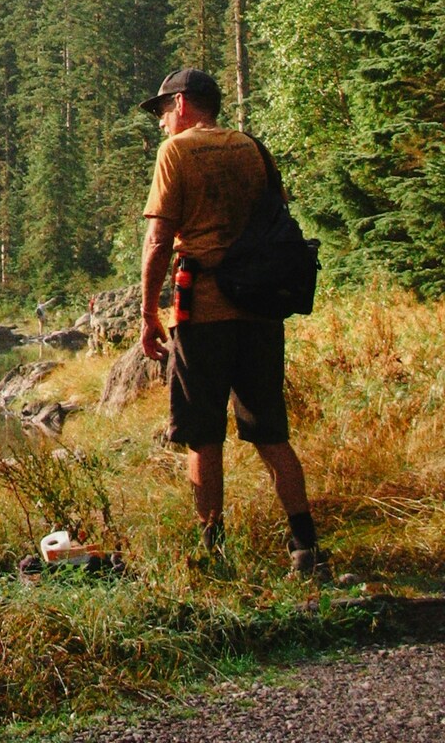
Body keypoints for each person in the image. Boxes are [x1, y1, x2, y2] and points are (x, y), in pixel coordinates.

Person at [138, 68, 326, 576]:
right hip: (261, 310)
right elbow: (276, 219)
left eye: (161, 112)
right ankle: (305, 546)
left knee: (204, 436)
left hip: (202, 311)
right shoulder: (253, 148)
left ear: (181, 104)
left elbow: (158, 241)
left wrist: (146, 313)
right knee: (270, 432)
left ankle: (213, 553)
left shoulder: (175, 153)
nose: (160, 123)